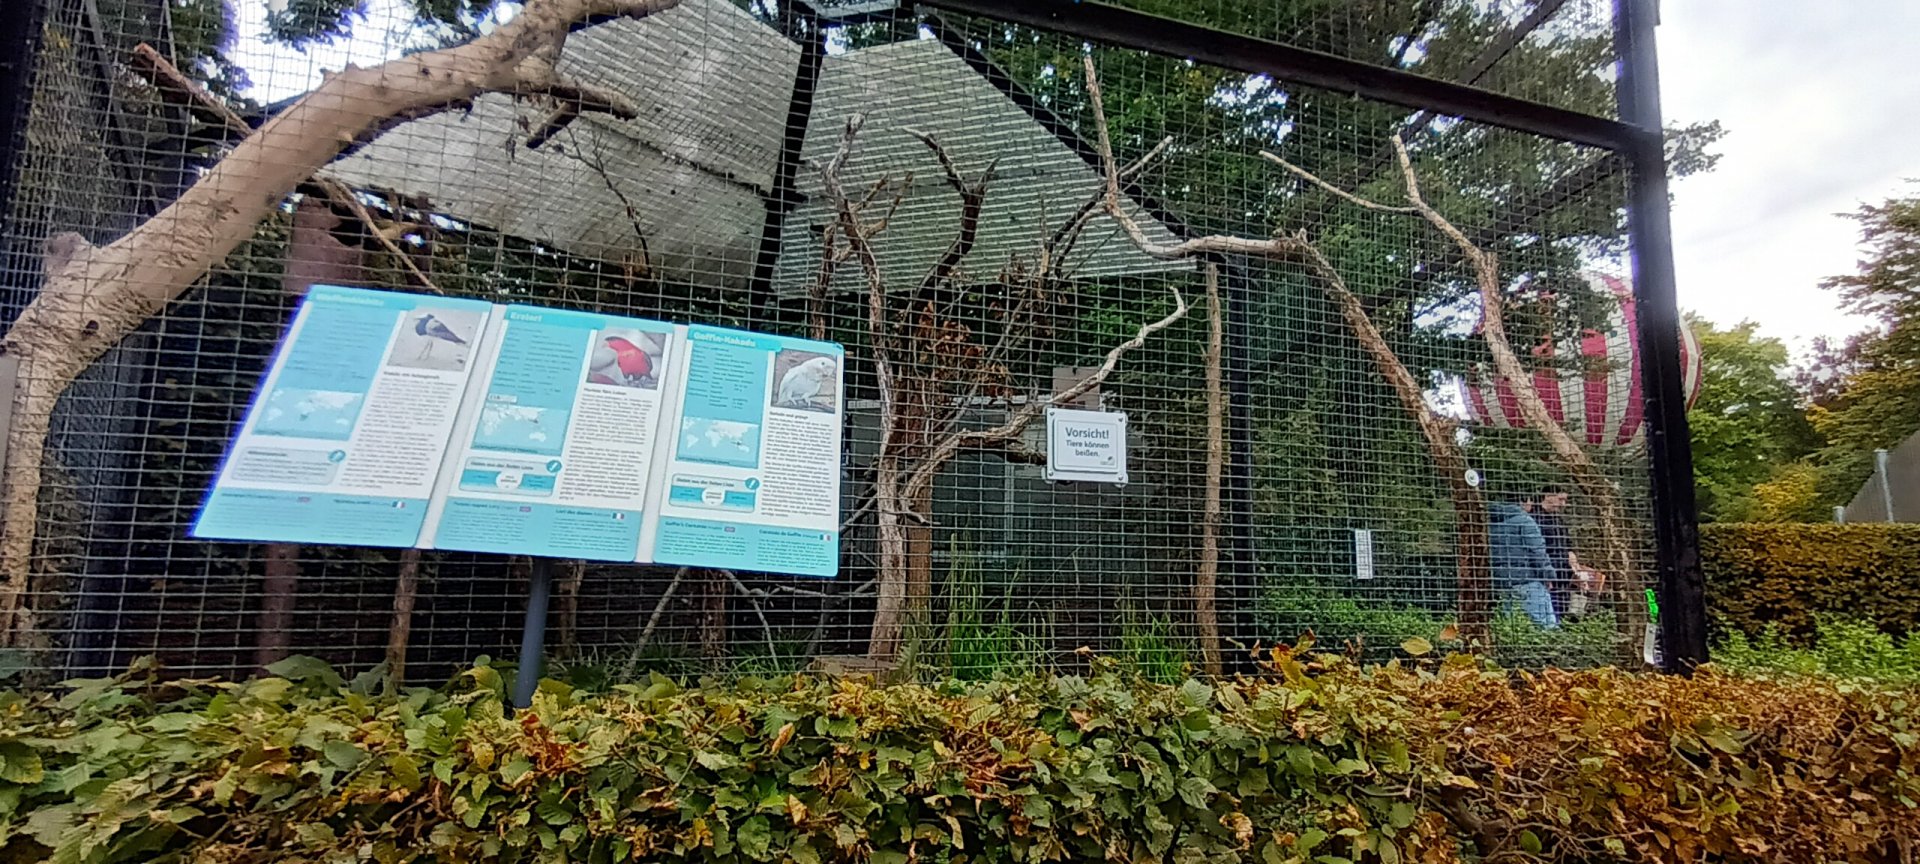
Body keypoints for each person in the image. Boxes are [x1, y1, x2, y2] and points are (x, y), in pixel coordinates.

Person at [1488, 499, 1559, 629]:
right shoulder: (1524, 520)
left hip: (1500, 583)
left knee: (1511, 627)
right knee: (1545, 627)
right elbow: (1537, 552)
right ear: (1525, 501)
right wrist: (1548, 576)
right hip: (1527, 581)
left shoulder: (1488, 521)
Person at [1523, 487, 1576, 617]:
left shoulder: (1558, 520)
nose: (1563, 504)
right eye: (1560, 499)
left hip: (1563, 572)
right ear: (1548, 496)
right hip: (1546, 572)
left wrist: (1571, 553)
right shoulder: (1533, 519)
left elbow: (1567, 542)